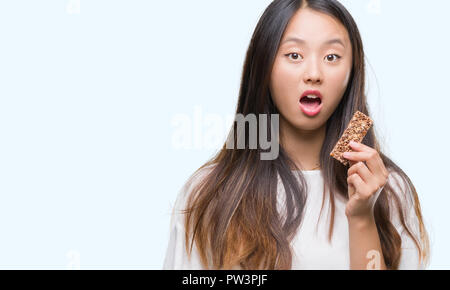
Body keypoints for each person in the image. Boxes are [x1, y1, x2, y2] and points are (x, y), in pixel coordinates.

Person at [163, 0, 430, 270]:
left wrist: (362, 218)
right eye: (294, 55)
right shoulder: (209, 193)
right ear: (264, 67)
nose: (313, 74)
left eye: (331, 57)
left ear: (352, 72)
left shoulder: (389, 191)